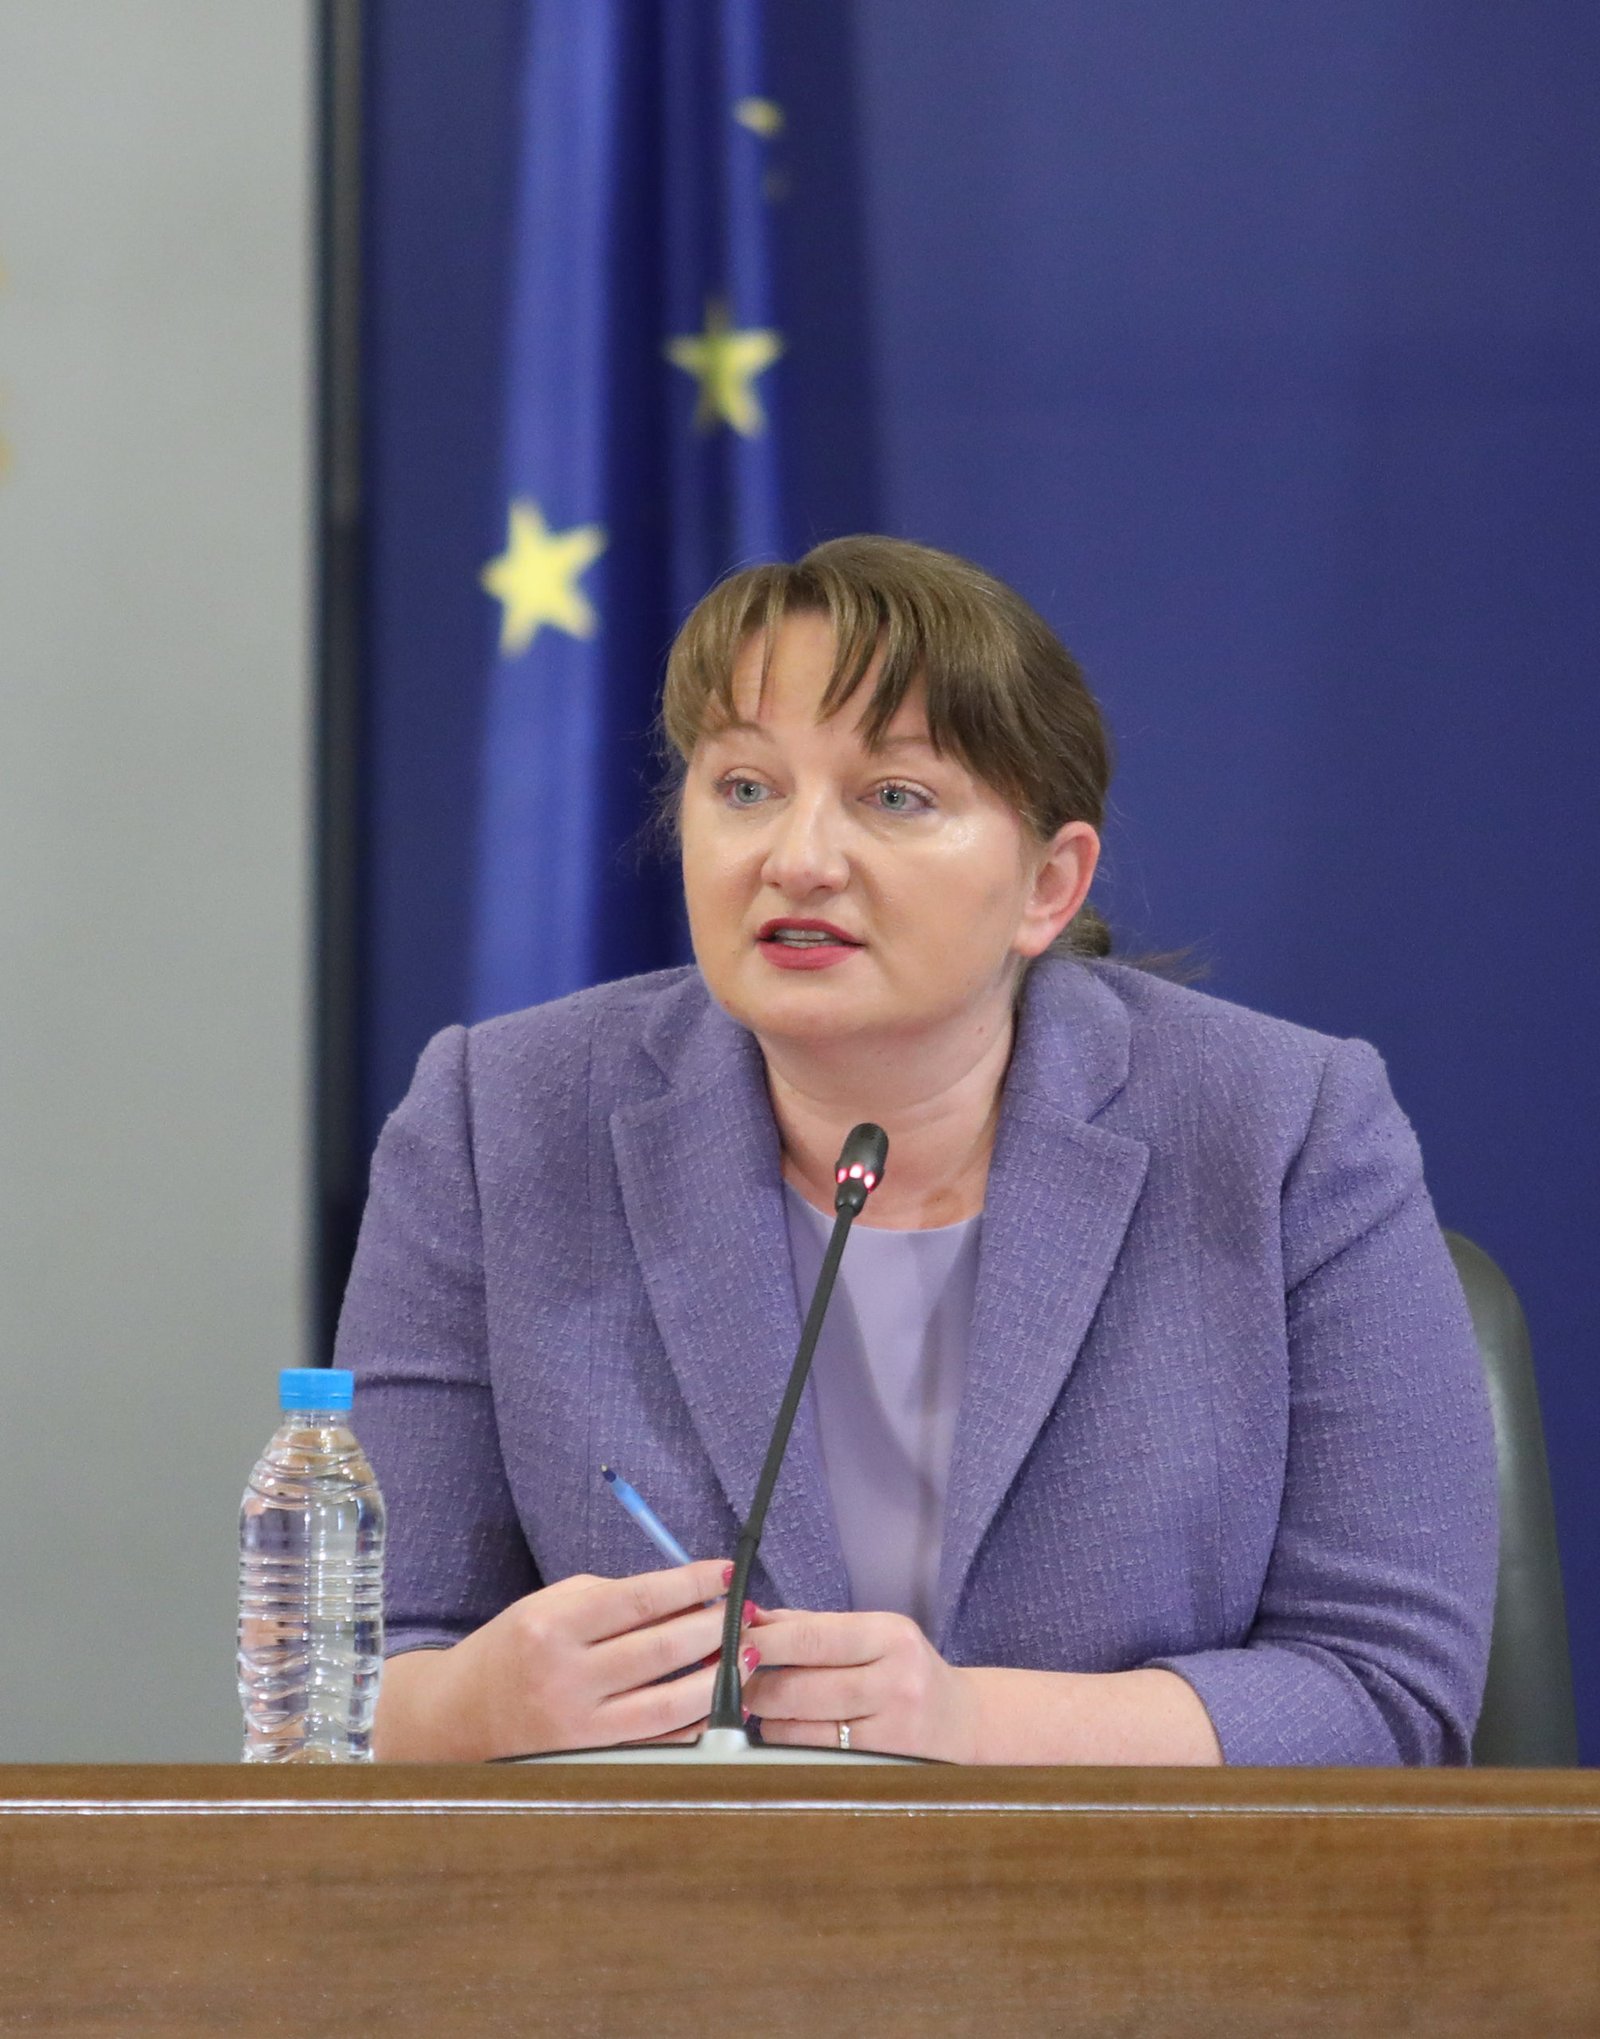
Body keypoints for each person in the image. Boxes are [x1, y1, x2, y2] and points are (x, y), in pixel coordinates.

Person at [339, 535, 1497, 1766]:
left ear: (1048, 885)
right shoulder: (498, 1119)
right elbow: (347, 1673)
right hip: (657, 1886)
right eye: (745, 787)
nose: (796, 858)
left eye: (894, 796)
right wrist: (469, 1707)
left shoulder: (1283, 1128)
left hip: (1123, 1888)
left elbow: (1388, 1692)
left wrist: (968, 1724)